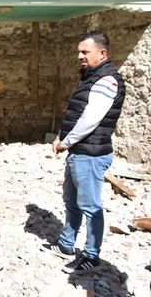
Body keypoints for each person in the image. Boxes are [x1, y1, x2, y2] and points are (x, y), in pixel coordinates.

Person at [45, 30, 126, 275]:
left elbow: (90, 119)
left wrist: (65, 142)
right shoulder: (91, 77)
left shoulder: (107, 80)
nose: (80, 56)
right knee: (71, 201)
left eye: (85, 52)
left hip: (90, 154)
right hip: (80, 151)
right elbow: (76, 113)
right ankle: (67, 244)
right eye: (79, 52)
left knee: (90, 206)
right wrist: (62, 136)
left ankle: (92, 256)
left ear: (102, 53)